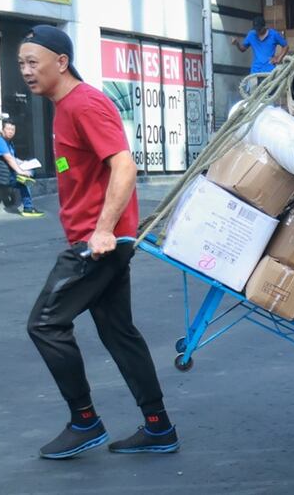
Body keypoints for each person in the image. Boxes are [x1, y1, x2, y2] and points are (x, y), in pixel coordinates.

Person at [18, 25, 179, 459]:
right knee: (118, 332)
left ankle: (84, 420)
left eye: (33, 62)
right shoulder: (64, 107)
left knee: (46, 324)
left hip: (99, 243)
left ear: (61, 62)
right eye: (21, 64)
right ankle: (158, 426)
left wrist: (104, 230)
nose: (26, 71)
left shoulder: (84, 103)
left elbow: (124, 166)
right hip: (105, 238)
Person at [0, 119, 43, 217]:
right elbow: (9, 159)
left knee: (29, 173)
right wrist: (20, 171)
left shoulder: (8, 142)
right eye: (8, 129)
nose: (11, 132)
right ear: (2, 130)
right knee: (24, 180)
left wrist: (23, 163)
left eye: (13, 130)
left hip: (5, 173)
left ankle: (28, 207)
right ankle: (28, 208)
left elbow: (13, 158)